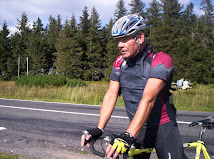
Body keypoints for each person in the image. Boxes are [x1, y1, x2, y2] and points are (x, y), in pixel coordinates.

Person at [81, 14, 187, 159]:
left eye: (125, 39)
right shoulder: (119, 63)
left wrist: (129, 135)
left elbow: (148, 100)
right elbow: (111, 95)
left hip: (163, 127)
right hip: (137, 127)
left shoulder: (161, 60)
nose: (119, 45)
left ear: (140, 38)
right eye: (118, 40)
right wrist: (99, 128)